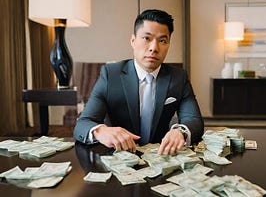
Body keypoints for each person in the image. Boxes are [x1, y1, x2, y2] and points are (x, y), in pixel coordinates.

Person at [73, 9, 204, 155]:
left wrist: (180, 132)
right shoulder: (111, 75)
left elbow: (194, 120)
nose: (154, 48)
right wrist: (100, 131)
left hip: (160, 155)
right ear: (133, 41)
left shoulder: (178, 77)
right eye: (147, 38)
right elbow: (83, 123)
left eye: (162, 41)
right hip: (117, 156)